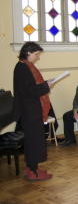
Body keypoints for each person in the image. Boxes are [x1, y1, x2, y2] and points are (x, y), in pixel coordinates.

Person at [13, 42, 55, 181]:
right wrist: (45, 87)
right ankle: (33, 171)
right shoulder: (22, 68)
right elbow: (29, 91)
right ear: (28, 53)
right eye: (36, 54)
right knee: (33, 142)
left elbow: (32, 87)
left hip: (31, 111)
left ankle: (32, 168)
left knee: (33, 141)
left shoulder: (25, 67)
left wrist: (45, 84)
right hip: (29, 112)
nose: (37, 58)